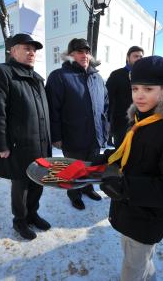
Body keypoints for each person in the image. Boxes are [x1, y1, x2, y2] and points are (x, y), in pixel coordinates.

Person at [98, 56, 163, 281]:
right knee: (139, 259)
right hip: (129, 211)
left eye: (147, 88)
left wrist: (126, 188)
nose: (139, 95)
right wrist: (108, 159)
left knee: (132, 269)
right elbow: (132, 152)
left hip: (147, 219)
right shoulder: (139, 119)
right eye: (135, 88)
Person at [0, 33, 51, 240]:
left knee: (38, 181)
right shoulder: (1, 72)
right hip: (18, 144)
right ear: (13, 51)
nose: (32, 52)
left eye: (34, 50)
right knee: (21, 184)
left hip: (40, 142)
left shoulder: (37, 78)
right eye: (26, 48)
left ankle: (33, 214)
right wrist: (0, 145)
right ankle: (20, 220)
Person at [45, 38, 109, 210]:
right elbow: (53, 109)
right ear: (70, 55)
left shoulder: (97, 77)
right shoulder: (59, 76)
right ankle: (74, 194)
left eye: (87, 51)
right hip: (73, 135)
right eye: (80, 51)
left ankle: (88, 188)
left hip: (95, 134)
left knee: (92, 165)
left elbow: (105, 105)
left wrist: (104, 129)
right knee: (74, 168)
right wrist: (56, 136)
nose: (85, 55)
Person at [106, 46, 144, 148]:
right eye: (136, 56)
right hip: (121, 124)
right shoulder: (116, 75)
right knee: (121, 154)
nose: (139, 59)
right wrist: (108, 122)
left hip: (140, 123)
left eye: (141, 57)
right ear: (128, 57)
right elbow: (107, 99)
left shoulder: (144, 76)